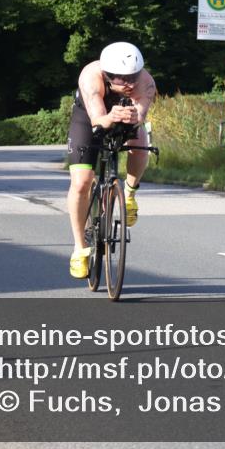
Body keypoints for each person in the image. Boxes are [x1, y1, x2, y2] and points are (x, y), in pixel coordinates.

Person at [66, 42, 157, 279]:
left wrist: (135, 115)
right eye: (122, 78)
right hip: (89, 119)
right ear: (107, 74)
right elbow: (98, 119)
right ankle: (79, 249)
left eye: (133, 76)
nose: (129, 83)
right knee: (81, 183)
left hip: (123, 117)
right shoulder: (90, 76)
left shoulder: (145, 82)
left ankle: (129, 193)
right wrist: (109, 117)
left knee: (140, 141)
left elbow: (141, 115)